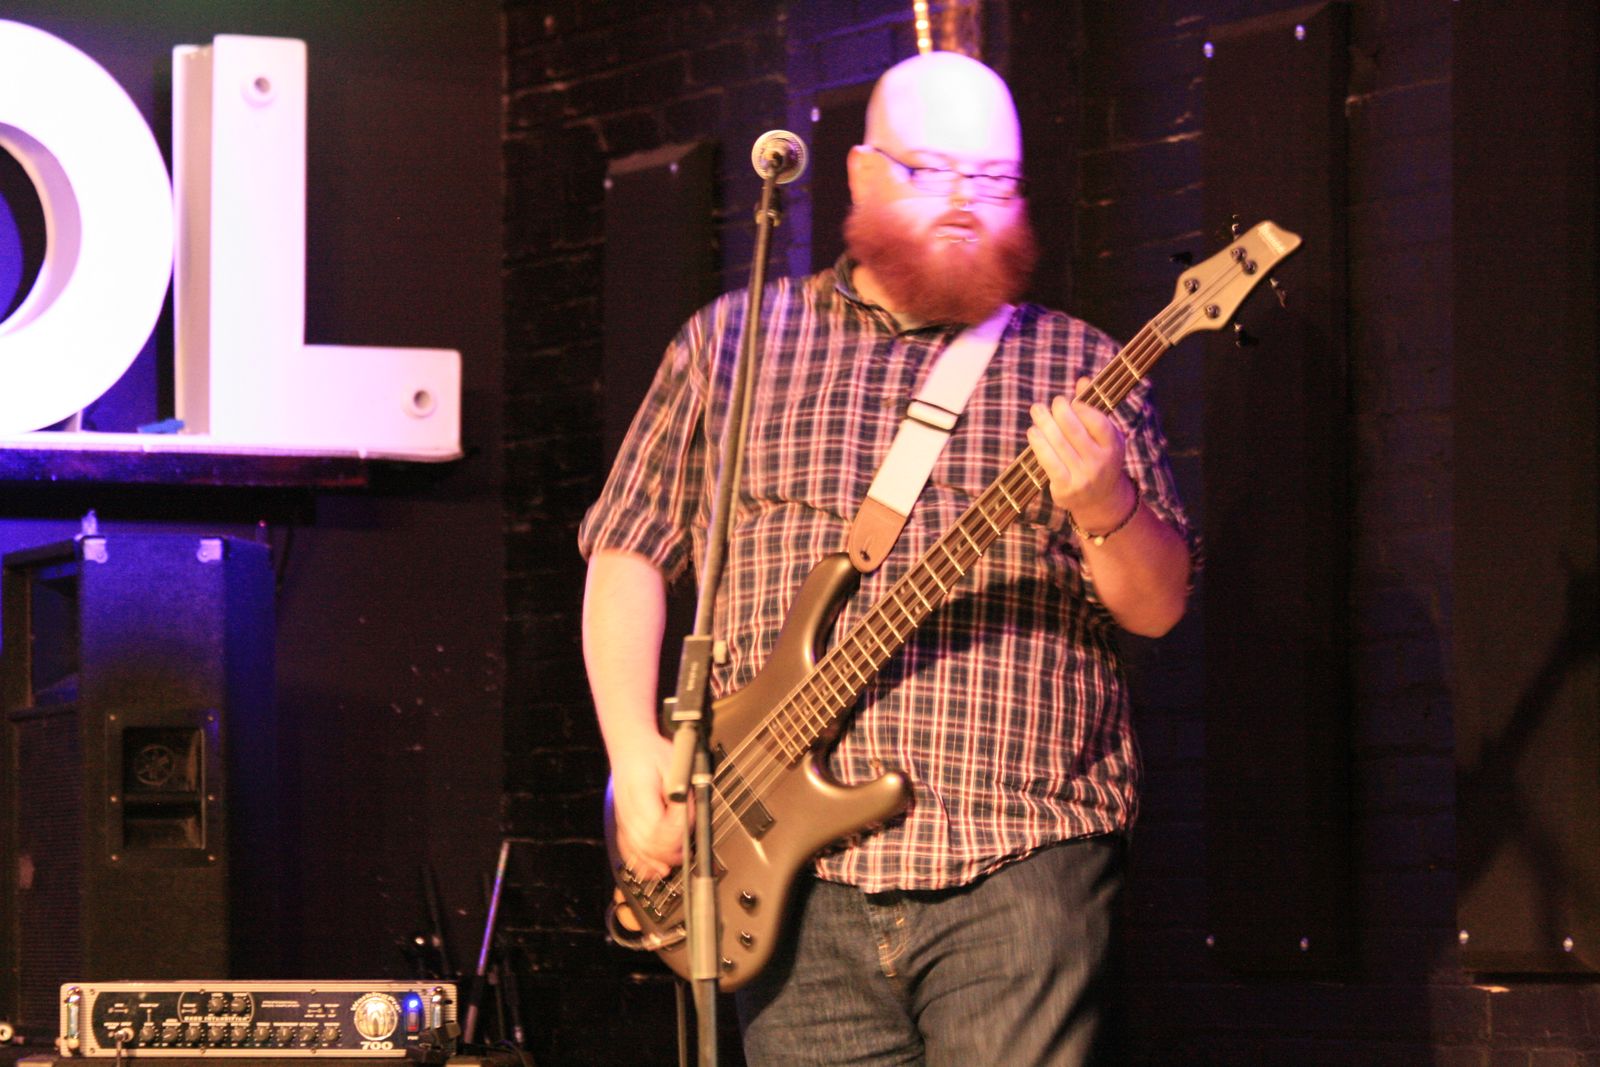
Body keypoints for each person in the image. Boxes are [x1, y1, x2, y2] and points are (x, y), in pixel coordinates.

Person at [579, 50, 1198, 1066]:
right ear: (862, 174)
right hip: (782, 873)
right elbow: (626, 548)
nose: (963, 204)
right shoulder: (732, 344)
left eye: (992, 180)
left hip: (1015, 851)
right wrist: (634, 752)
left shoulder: (1079, 365)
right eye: (930, 172)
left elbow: (1158, 605)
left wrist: (1106, 502)